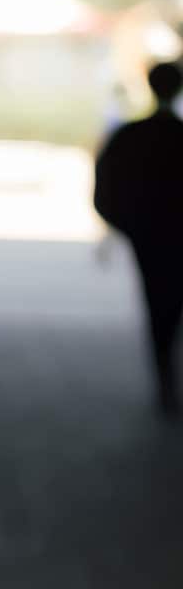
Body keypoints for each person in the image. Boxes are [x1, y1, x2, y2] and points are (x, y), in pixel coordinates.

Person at [94, 60, 183, 416]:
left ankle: (165, 376)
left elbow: (105, 189)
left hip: (148, 237)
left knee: (157, 305)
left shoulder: (129, 136)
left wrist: (128, 227)